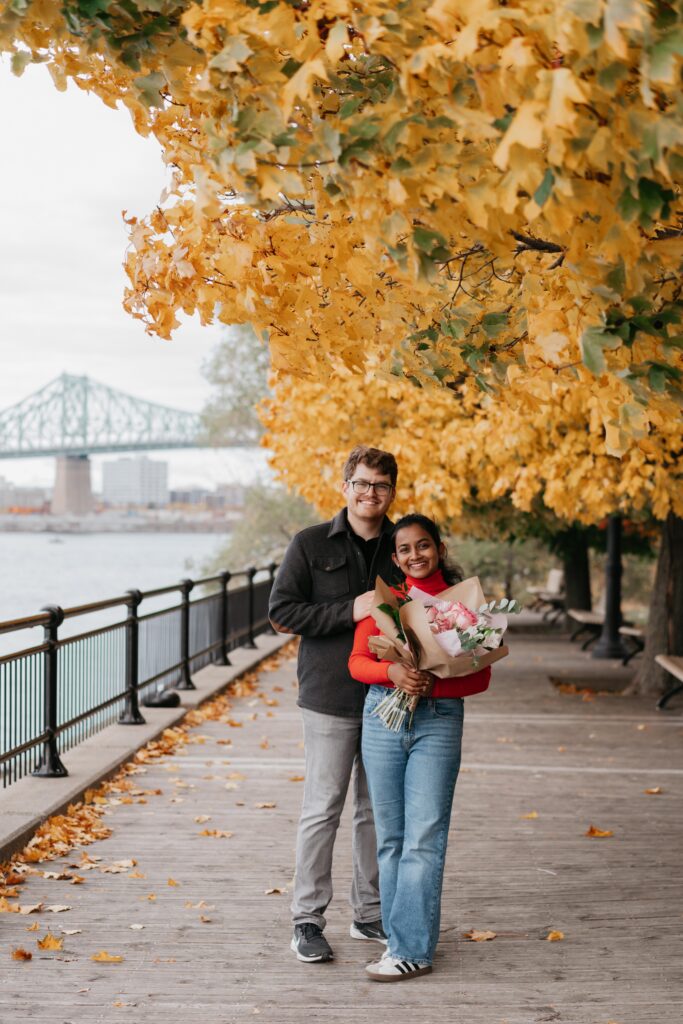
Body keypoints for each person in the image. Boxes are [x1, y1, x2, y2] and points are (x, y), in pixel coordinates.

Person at [269, 445, 402, 964]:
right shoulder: (308, 544)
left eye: (382, 486)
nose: (372, 494)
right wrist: (349, 610)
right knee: (322, 809)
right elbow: (281, 613)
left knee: (375, 811)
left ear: (392, 491)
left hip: (389, 695)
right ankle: (306, 920)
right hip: (328, 695)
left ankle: (368, 914)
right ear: (345, 486)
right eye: (363, 483)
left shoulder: (403, 544)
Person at [348, 513, 492, 981]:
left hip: (438, 721)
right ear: (395, 558)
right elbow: (357, 661)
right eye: (405, 549)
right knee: (390, 839)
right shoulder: (386, 603)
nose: (415, 555)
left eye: (423, 545)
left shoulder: (462, 608)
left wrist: (431, 686)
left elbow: (482, 673)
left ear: (439, 548)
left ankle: (412, 949)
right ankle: (398, 937)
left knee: (424, 837)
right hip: (383, 718)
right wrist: (393, 673)